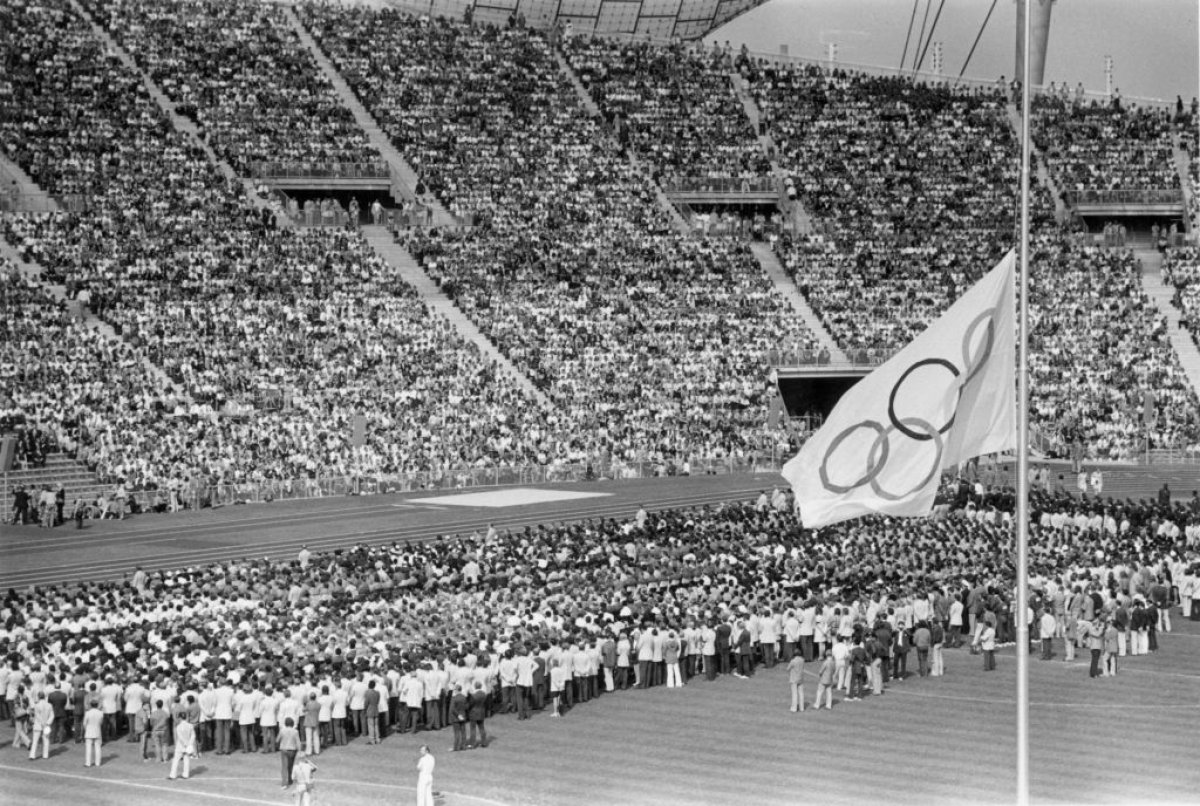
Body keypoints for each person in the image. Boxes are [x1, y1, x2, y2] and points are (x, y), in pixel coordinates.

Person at [169, 709, 196, 780]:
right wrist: (189, 743)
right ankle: (185, 774)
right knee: (186, 759)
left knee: (176, 760)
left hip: (180, 746)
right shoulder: (190, 725)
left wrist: (185, 744)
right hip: (187, 745)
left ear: (180, 718)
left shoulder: (178, 727)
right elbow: (193, 735)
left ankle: (173, 775)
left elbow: (180, 737)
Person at [29, 691, 54, 760]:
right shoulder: (49, 705)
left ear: (38, 697)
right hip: (46, 725)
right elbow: (52, 715)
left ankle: (32, 755)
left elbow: (37, 716)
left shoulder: (37, 705)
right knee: (46, 740)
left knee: (35, 741)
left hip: (38, 725)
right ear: (44, 696)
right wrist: (47, 723)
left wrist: (43, 723)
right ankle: (45, 755)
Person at [278, 716, 301, 788]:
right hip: (292, 750)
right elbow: (298, 742)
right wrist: (300, 750)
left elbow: (277, 740)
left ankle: (284, 783)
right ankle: (290, 780)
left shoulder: (282, 731)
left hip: (284, 749)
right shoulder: (295, 731)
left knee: (284, 767)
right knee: (290, 765)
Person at [82, 697, 104, 767]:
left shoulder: (88, 713)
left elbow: (84, 723)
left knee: (88, 748)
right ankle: (98, 762)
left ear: (91, 705)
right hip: (97, 730)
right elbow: (101, 722)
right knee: (98, 747)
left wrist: (86, 729)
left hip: (89, 731)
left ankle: (88, 763)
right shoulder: (101, 713)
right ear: (97, 705)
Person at [466, 681, 488, 748]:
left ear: (475, 686)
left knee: (473, 729)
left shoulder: (474, 696)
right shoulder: (484, 694)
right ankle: (484, 742)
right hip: (481, 712)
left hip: (474, 713)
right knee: (482, 728)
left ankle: (472, 743)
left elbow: (470, 704)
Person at [449, 686, 468, 750]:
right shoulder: (464, 697)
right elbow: (466, 707)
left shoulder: (454, 698)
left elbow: (452, 709)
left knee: (457, 733)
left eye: (455, 690)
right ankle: (464, 746)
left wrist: (458, 715)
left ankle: (455, 747)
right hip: (463, 717)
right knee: (463, 732)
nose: (454, 691)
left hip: (456, 718)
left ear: (457, 690)